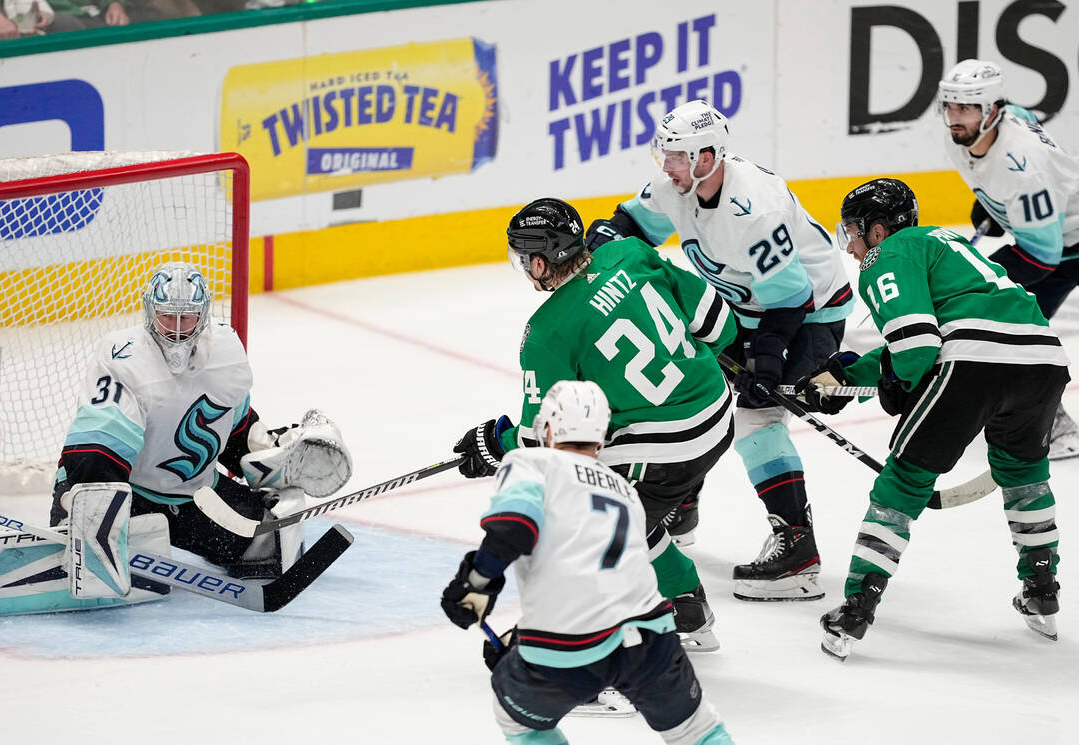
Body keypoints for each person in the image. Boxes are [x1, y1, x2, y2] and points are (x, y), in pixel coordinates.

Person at [0, 261, 351, 623]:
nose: (175, 328)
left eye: (186, 318)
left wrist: (269, 453)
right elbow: (96, 451)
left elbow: (230, 429)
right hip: (111, 492)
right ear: (150, 314)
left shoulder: (227, 357)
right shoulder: (125, 359)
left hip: (188, 497)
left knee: (267, 545)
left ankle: (130, 549)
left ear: (203, 318)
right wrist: (93, 518)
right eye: (166, 316)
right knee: (101, 570)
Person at [583, 99, 854, 602]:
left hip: (810, 309)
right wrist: (598, 238)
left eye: (679, 156)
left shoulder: (754, 208)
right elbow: (634, 226)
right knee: (697, 389)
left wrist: (765, 360)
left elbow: (792, 297)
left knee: (757, 417)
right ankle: (681, 503)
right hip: (744, 307)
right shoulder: (675, 184)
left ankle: (799, 551)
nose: (668, 167)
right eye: (664, 154)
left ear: (710, 156)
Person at [441, 380, 760, 745]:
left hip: (569, 645)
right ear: (602, 436)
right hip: (651, 637)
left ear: (547, 429)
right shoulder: (623, 489)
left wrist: (476, 583)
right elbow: (602, 580)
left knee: (516, 718)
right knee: (699, 734)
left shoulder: (530, 462)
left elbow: (514, 528)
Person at [794, 178, 1069, 660]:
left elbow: (918, 350)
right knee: (1025, 476)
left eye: (854, 233)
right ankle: (1042, 589)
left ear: (878, 231)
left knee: (903, 481)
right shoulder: (948, 242)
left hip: (975, 362)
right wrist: (845, 375)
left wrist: (901, 384)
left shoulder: (888, 253)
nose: (853, 247)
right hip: (1042, 360)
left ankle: (857, 607)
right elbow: (928, 335)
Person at [452, 197, 739, 653]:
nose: (525, 269)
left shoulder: (546, 333)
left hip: (664, 450)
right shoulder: (628, 252)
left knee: (586, 530)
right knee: (632, 517)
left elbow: (541, 443)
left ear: (542, 261)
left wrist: (494, 444)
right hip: (720, 415)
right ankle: (686, 609)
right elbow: (717, 323)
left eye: (525, 260)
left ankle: (594, 659)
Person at [938, 58, 1079, 459]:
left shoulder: (1023, 167)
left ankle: (1052, 425)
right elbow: (1020, 112)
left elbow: (1042, 256)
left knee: (1020, 329)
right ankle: (1051, 421)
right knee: (1019, 331)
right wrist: (993, 204)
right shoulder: (974, 131)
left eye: (964, 108)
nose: (953, 118)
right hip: (1058, 236)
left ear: (990, 111)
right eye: (949, 106)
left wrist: (984, 276)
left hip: (1065, 245)